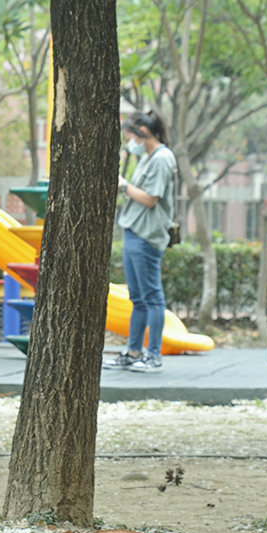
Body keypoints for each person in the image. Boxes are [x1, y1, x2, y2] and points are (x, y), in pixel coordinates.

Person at [103, 109, 177, 374]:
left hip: (147, 235)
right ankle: (134, 352)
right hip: (134, 231)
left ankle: (153, 355)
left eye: (129, 136)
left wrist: (123, 185)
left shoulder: (161, 159)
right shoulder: (148, 158)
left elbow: (150, 198)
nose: (128, 142)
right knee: (139, 298)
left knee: (152, 296)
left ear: (142, 133)